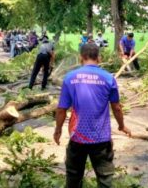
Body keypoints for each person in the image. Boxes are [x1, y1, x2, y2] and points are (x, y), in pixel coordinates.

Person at [54, 43, 131, 188]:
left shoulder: (70, 77)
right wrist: (122, 126)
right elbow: (116, 107)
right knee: (105, 180)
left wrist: (58, 130)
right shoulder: (108, 78)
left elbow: (61, 109)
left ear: (81, 58)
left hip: (77, 138)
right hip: (101, 139)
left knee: (73, 178)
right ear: (99, 58)